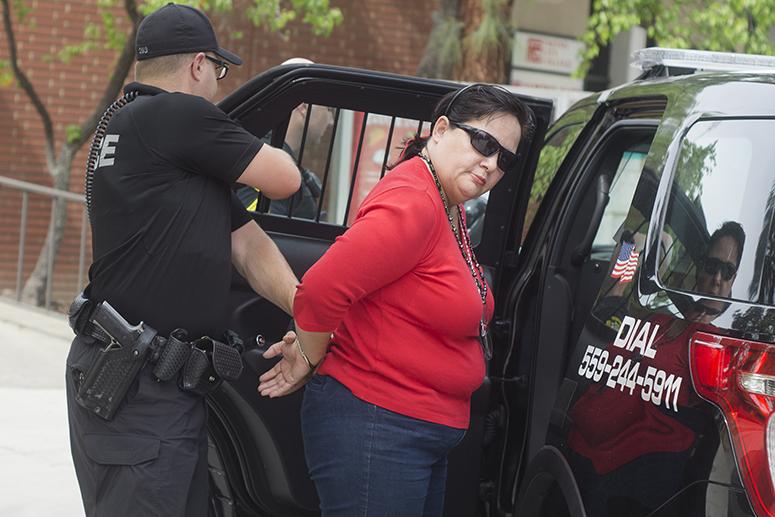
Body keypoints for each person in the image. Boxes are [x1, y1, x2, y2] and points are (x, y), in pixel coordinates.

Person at [64, 4, 301, 517]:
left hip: (146, 384)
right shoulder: (175, 114)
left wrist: (306, 309)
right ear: (198, 65)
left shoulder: (136, 129)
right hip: (141, 388)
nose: (217, 83)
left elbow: (244, 242)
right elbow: (286, 178)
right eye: (219, 70)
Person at [258, 84, 531, 516]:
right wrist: (311, 356)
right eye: (483, 142)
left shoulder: (447, 201)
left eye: (505, 159)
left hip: (410, 430)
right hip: (379, 427)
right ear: (440, 130)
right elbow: (321, 289)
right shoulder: (416, 201)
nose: (491, 163)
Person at [237, 57, 333, 218]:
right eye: (329, 108)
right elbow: (262, 231)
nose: (331, 121)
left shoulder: (266, 155)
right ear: (303, 107)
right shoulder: (264, 162)